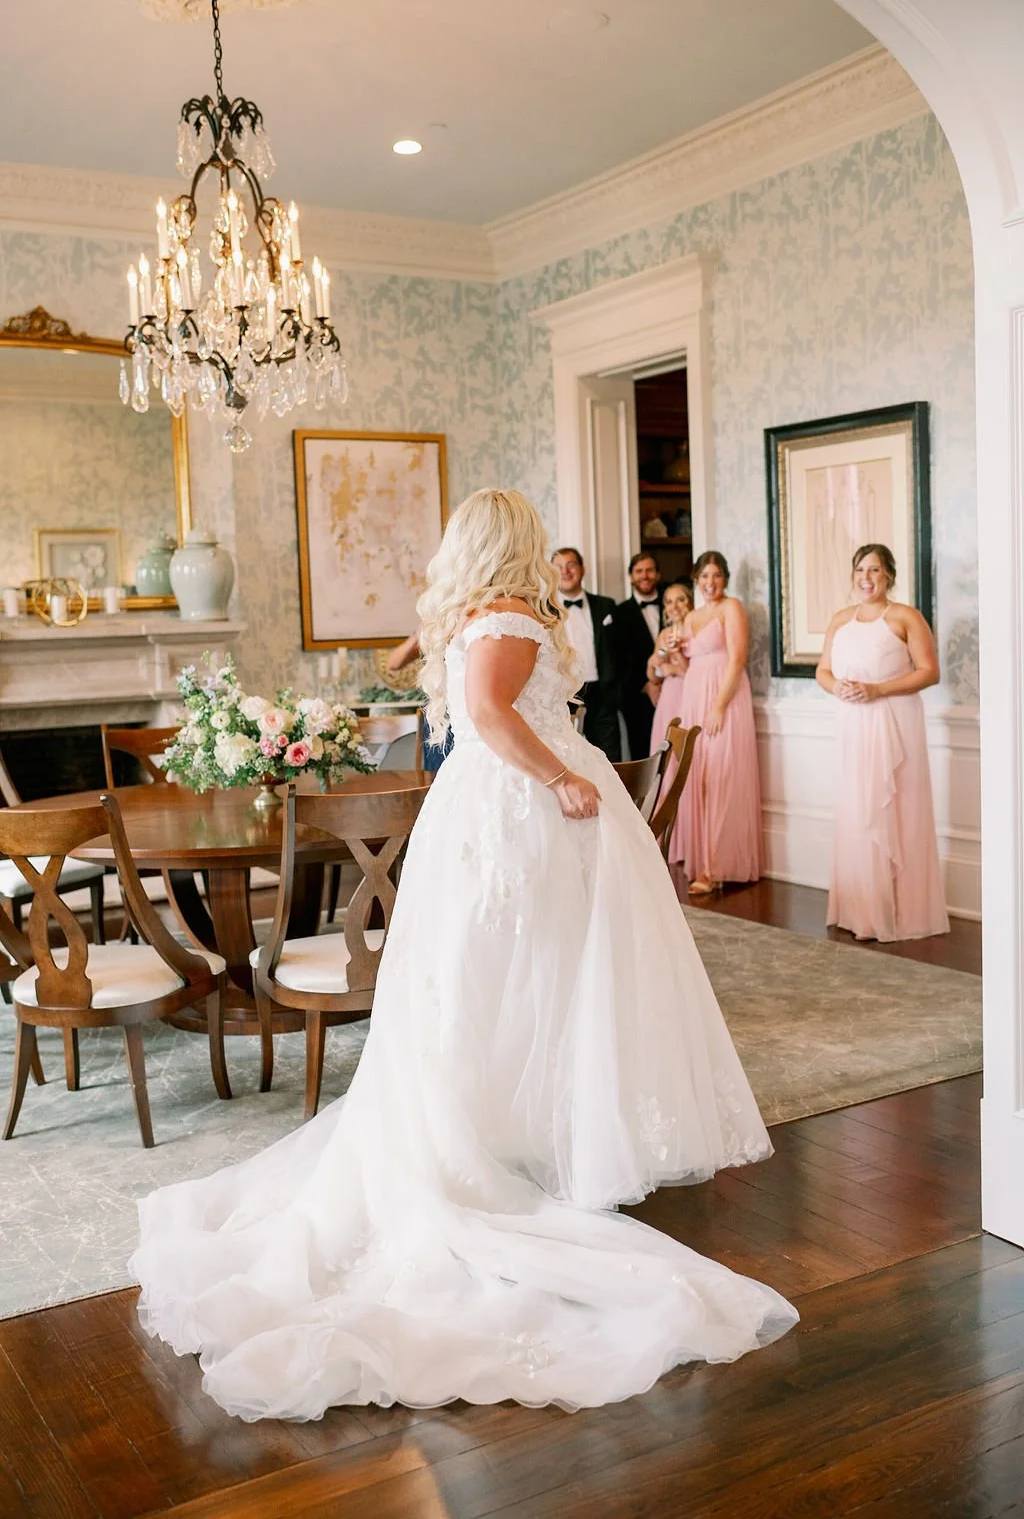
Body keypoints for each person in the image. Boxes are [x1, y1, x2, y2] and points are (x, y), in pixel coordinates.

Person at [130, 489, 795, 1422]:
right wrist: (564, 774)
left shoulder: (471, 615)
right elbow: (489, 713)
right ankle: (521, 1143)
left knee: (508, 986)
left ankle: (521, 1131)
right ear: (516, 545)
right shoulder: (512, 614)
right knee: (537, 980)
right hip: (523, 807)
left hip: (484, 810)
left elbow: (477, 710)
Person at [816, 543, 949, 942]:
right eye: (860, 570)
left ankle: (901, 910)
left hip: (894, 724)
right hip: (852, 723)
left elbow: (929, 672)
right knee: (858, 809)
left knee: (896, 810)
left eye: (874, 570)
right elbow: (822, 670)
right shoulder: (840, 619)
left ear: (888, 575)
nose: (866, 578)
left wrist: (878, 690)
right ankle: (860, 907)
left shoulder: (905, 616)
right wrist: (837, 686)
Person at [674, 552, 761, 893]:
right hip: (694, 697)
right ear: (696, 579)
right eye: (704, 576)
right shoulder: (692, 616)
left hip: (724, 699)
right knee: (699, 778)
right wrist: (672, 653)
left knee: (722, 777)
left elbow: (738, 660)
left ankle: (719, 866)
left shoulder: (731, 608)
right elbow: (684, 669)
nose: (710, 583)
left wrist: (719, 707)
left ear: (725, 579)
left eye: (717, 576)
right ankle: (704, 861)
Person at [552, 545, 620, 761]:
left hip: (602, 693)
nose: (565, 571)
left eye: (571, 565)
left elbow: (620, 650)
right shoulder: (545, 609)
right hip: (564, 694)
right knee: (569, 758)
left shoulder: (606, 606)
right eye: (559, 567)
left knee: (610, 757)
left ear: (582, 569)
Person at [612, 552, 664, 757]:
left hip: (674, 689)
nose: (645, 576)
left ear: (658, 574)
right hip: (637, 697)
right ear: (631, 576)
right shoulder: (619, 613)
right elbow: (618, 658)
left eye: (650, 570)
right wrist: (647, 684)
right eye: (639, 571)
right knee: (643, 755)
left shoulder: (673, 605)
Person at [385, 631, 451, 772]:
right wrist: (419, 633)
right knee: (438, 769)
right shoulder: (435, 631)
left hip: (465, 708)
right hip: (439, 709)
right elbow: (393, 663)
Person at [647, 581, 694, 756]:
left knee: (686, 749)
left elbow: (697, 675)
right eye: (669, 602)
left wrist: (673, 668)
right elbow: (655, 678)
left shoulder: (695, 632)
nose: (674, 606)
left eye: (680, 600)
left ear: (690, 602)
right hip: (668, 697)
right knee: (667, 749)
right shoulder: (664, 635)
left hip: (688, 695)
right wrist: (652, 664)